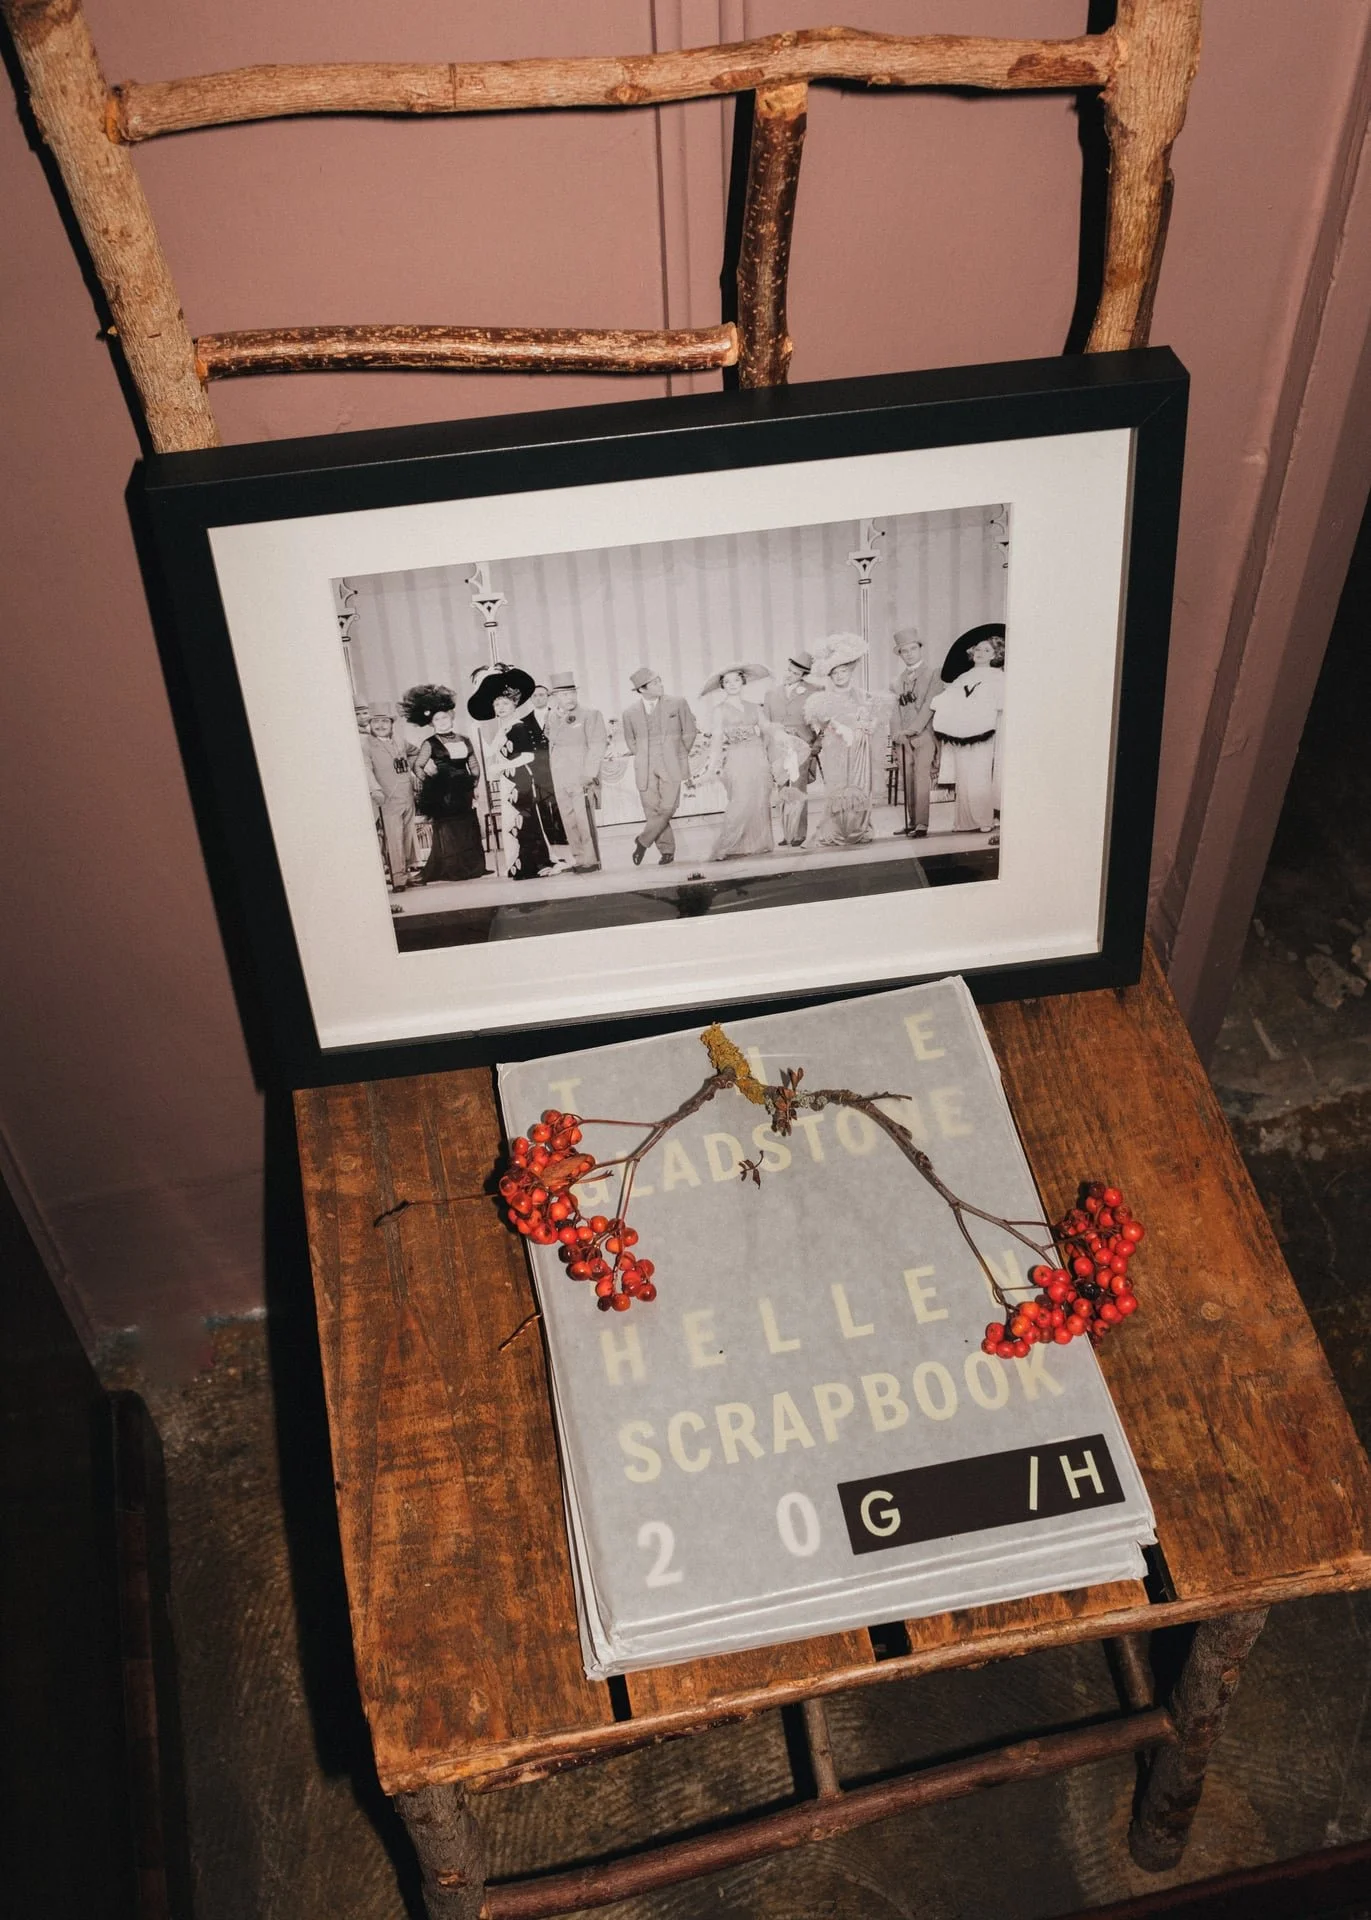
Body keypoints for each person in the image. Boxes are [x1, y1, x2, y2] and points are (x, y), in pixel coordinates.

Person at [468, 664, 564, 880]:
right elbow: (489, 752)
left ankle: (532, 863)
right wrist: (475, 733)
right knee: (512, 822)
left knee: (524, 821)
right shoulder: (503, 728)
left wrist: (500, 767)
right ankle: (517, 863)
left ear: (514, 704)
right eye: (497, 704)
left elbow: (528, 756)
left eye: (505, 703)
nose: (500, 708)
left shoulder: (518, 726)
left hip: (521, 780)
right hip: (508, 781)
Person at [803, 635, 888, 848]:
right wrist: (835, 726)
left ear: (850, 672)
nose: (840, 676)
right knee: (838, 788)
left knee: (859, 787)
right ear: (830, 676)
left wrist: (870, 724)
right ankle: (836, 831)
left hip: (859, 748)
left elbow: (876, 718)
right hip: (836, 748)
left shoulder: (864, 696)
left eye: (843, 671)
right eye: (835, 673)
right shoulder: (823, 699)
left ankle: (859, 829)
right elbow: (820, 724)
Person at [399, 684, 486, 883]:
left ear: (451, 718)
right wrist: (432, 784)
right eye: (437, 719)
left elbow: (473, 764)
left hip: (464, 790)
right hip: (444, 793)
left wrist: (474, 785)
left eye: (445, 717)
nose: (442, 722)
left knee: (467, 826)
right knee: (448, 829)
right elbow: (418, 766)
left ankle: (472, 867)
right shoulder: (429, 743)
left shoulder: (464, 739)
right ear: (432, 723)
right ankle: (452, 868)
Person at [929, 624, 1006, 836]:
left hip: (984, 731)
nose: (981, 653)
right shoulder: (963, 677)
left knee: (980, 774)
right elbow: (945, 700)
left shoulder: (998, 677)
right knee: (963, 776)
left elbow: (1001, 704)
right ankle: (964, 821)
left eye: (987, 650)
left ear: (995, 655)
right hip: (960, 733)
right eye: (978, 649)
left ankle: (984, 819)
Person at [621, 667, 697, 866]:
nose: (660, 685)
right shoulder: (629, 713)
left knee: (669, 807)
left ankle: (642, 841)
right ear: (642, 689)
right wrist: (643, 754)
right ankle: (666, 850)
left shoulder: (677, 703)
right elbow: (630, 740)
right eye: (655, 683)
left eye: (660, 680)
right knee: (652, 809)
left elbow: (690, 731)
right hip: (645, 765)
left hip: (671, 762)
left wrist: (679, 754)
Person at [701, 663, 775, 860]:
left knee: (759, 798)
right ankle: (726, 846)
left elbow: (767, 727)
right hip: (737, 757)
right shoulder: (719, 710)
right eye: (727, 681)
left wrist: (783, 735)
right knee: (740, 800)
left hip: (758, 756)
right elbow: (717, 740)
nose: (732, 684)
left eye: (736, 680)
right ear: (722, 686)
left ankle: (756, 844)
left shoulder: (754, 707)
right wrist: (711, 767)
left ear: (743, 682)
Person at [545, 670, 607, 872]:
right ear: (555, 697)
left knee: (583, 820)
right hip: (560, 777)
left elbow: (597, 745)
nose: (569, 697)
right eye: (564, 694)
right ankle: (579, 859)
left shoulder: (590, 714)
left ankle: (591, 860)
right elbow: (552, 743)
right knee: (568, 820)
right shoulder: (551, 716)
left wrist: (590, 773)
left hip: (581, 777)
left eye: (572, 693)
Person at [763, 650, 818, 846]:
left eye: (795, 673)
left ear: (803, 675)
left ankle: (799, 833)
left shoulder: (813, 692)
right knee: (782, 789)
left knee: (797, 788)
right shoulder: (771, 694)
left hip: (800, 747)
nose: (790, 675)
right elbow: (766, 724)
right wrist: (767, 748)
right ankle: (787, 832)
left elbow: (818, 721)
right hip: (778, 748)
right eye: (789, 670)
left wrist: (814, 743)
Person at [889, 626, 939, 837]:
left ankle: (921, 824)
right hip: (903, 738)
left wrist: (913, 729)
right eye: (904, 651)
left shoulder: (934, 673)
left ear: (920, 648)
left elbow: (930, 704)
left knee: (921, 778)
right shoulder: (896, 681)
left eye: (913, 649)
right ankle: (911, 821)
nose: (909, 654)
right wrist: (896, 734)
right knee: (907, 778)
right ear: (900, 654)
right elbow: (893, 710)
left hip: (924, 734)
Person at [364, 706, 418, 890]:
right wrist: (375, 790)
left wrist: (416, 768)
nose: (381, 725)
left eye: (385, 721)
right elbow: (366, 769)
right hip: (387, 797)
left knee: (407, 836)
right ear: (370, 724)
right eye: (376, 721)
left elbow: (415, 752)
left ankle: (407, 874)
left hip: (407, 794)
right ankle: (398, 879)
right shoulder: (366, 745)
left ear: (391, 723)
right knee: (393, 838)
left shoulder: (399, 740)